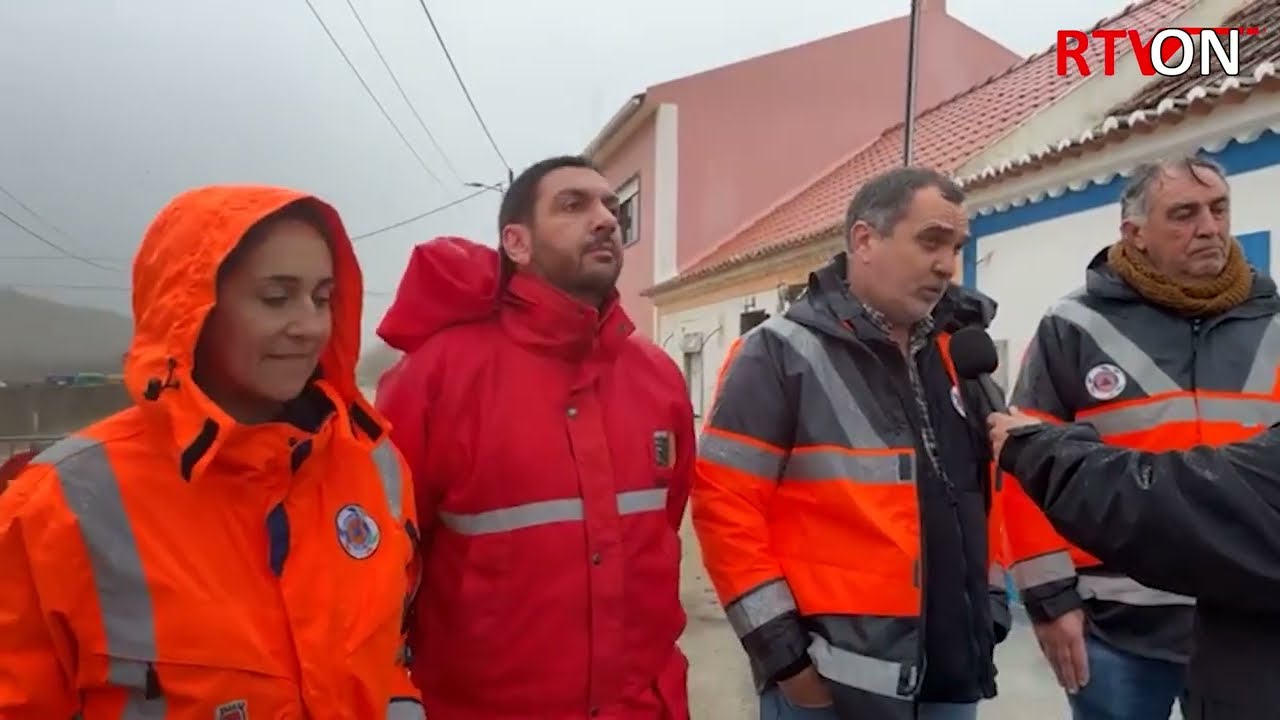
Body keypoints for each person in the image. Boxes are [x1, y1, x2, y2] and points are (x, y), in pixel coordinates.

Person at [0, 185, 424, 718]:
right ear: (190, 309)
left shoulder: (373, 463)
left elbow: (390, 662)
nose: (310, 326)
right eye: (276, 298)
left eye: (322, 298)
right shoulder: (60, 502)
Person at [375, 155, 695, 718]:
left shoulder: (658, 376)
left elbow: (663, 525)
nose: (605, 219)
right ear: (516, 243)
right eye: (573, 205)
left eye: (612, 207)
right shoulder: (436, 377)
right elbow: (386, 566)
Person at [693, 167, 1011, 720]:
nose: (947, 264)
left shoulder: (962, 355)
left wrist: (994, 605)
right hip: (831, 688)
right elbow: (726, 511)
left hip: (953, 675)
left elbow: (991, 494)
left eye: (956, 247)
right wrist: (786, 660)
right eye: (931, 241)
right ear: (864, 240)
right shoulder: (777, 354)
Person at [1000, 155, 1279, 720]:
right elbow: (1020, 461)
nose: (1210, 227)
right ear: (1135, 235)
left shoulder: (1273, 319)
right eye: (1184, 214)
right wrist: (1050, 601)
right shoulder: (1073, 327)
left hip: (1251, 625)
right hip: (1116, 631)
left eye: (1219, 209)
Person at [988, 408, 1280, 719]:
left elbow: (1186, 501)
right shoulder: (1065, 357)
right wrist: (1050, 597)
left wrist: (1042, 452)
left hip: (1240, 657)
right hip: (1114, 625)